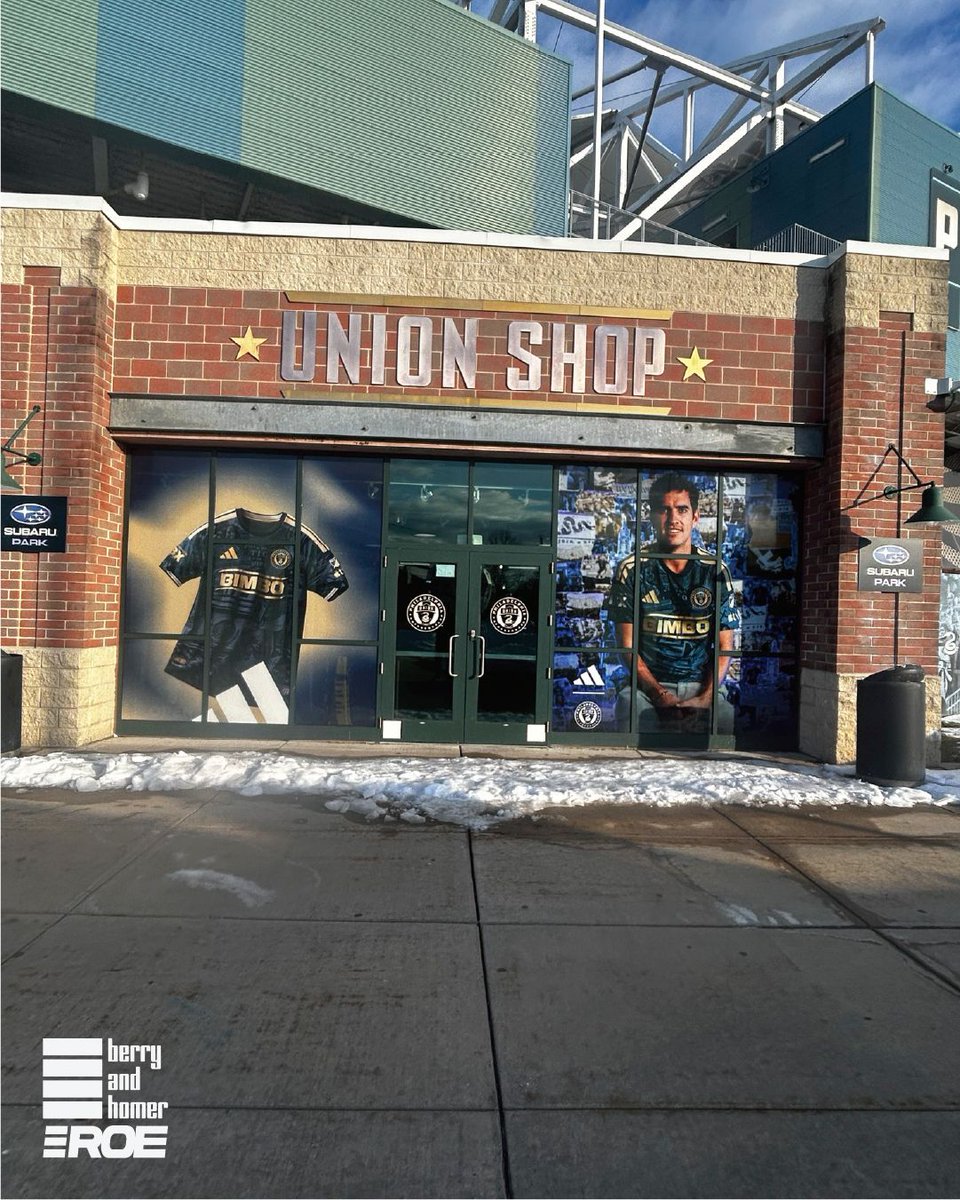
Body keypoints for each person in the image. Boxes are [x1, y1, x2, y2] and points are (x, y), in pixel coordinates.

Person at [609, 473, 738, 732]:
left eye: (681, 510)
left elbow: (725, 647)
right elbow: (626, 647)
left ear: (695, 516)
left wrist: (706, 697)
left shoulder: (714, 571)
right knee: (628, 706)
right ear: (652, 516)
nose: (673, 519)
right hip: (647, 686)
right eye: (664, 510)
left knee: (723, 714)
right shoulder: (632, 569)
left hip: (700, 685)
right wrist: (659, 695)